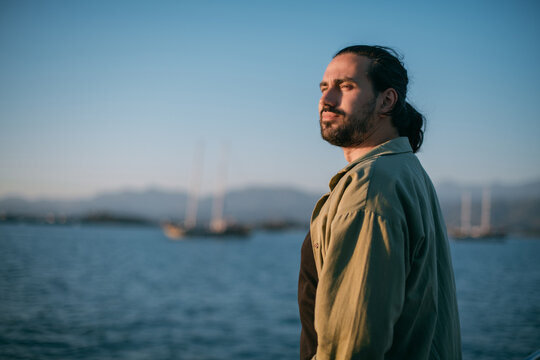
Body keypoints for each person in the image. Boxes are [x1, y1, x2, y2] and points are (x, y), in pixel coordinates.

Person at [298, 45, 462, 359]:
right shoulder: (407, 171)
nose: (327, 100)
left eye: (346, 86)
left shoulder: (371, 187)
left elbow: (353, 347)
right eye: (324, 87)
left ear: (386, 100)